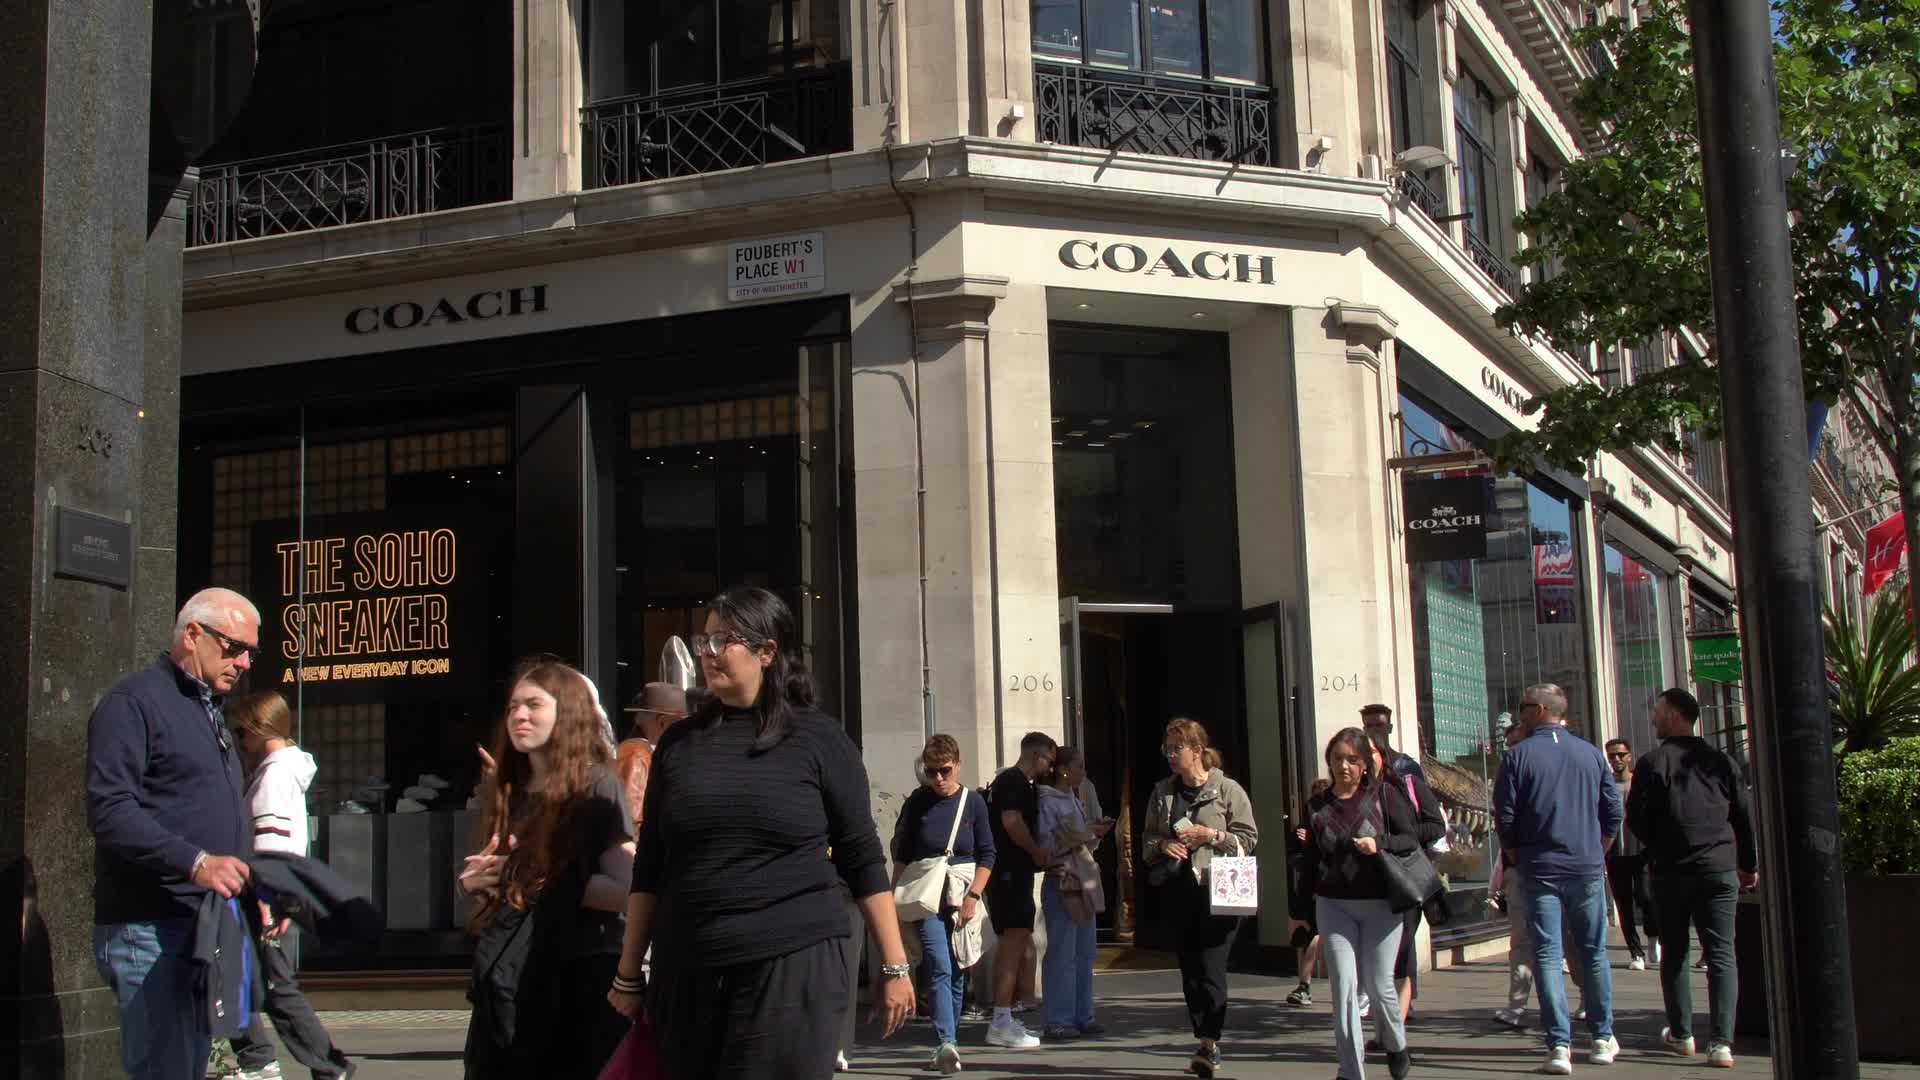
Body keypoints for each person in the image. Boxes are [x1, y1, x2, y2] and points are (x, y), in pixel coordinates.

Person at [607, 586, 915, 1078]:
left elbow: (862, 858)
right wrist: (628, 973)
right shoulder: (679, 745)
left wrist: (894, 966)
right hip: (687, 966)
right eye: (703, 640)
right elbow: (651, 866)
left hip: (792, 963)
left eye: (722, 640)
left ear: (766, 652)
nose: (707, 652)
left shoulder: (819, 739)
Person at [88, 588, 260, 1080]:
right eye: (234, 647)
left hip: (200, 922)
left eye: (252, 651)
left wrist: (252, 886)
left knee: (188, 1065)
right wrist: (197, 862)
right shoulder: (133, 703)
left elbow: (215, 810)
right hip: (150, 927)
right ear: (192, 634)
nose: (245, 662)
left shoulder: (209, 710)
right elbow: (111, 809)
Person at [459, 659, 637, 1077]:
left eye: (534, 705)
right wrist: (478, 882)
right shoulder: (508, 789)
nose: (519, 715)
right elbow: (513, 883)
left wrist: (533, 878)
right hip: (510, 975)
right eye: (512, 707)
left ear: (567, 711)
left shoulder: (596, 785)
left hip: (578, 976)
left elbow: (625, 887)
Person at [222, 691, 354, 1080]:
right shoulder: (284, 771)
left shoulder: (273, 775)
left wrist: (269, 900)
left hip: (262, 894)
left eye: (243, 729)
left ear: (260, 728)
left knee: (273, 985)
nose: (240, 738)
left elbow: (270, 843)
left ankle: (322, 1066)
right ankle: (266, 1060)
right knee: (254, 979)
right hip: (270, 893)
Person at [1494, 684, 1623, 1075]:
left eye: (1523, 708)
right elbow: (1612, 811)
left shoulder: (1517, 757)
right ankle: (1601, 1037)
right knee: (1592, 951)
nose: (1520, 715)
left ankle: (1559, 1045)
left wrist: (1518, 855)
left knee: (1547, 954)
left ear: (1540, 709)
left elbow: (1506, 817)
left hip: (1539, 867)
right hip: (1584, 866)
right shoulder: (1591, 754)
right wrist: (1598, 848)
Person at [1627, 688, 1758, 1069]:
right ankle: (1721, 1043)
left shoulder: (1653, 763)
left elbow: (1637, 818)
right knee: (1722, 954)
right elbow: (1743, 816)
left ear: (1674, 714)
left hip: (1672, 871)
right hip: (1718, 866)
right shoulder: (1721, 761)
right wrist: (1748, 863)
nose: (1653, 719)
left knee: (1677, 953)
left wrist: (1660, 844)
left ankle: (1682, 1034)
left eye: (1657, 712)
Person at [1291, 728, 1421, 1080]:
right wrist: (1300, 914)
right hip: (1335, 905)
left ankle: (1395, 1042)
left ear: (1365, 764)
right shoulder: (1316, 805)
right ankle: (1351, 1071)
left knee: (1380, 987)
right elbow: (1310, 859)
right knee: (1344, 989)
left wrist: (1380, 843)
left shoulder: (1385, 796)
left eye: (1352, 760)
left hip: (1381, 904)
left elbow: (1412, 838)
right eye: (1337, 759)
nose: (1343, 766)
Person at [1143, 719, 1258, 1079]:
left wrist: (1211, 834)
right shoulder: (1162, 792)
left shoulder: (1227, 790)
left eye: (1177, 749)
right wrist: (1164, 844)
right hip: (1180, 891)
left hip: (1218, 889)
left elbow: (1248, 839)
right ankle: (1203, 1036)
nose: (1171, 756)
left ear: (1197, 750)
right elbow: (1146, 839)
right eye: (1167, 749)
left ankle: (1209, 1042)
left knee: (1211, 968)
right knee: (1190, 970)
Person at [890, 734, 996, 1075]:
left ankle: (949, 1043)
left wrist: (973, 896)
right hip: (926, 892)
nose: (938, 778)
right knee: (938, 961)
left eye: (945, 771)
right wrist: (892, 900)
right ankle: (945, 1041)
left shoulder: (973, 802)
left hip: (962, 890)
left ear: (958, 765)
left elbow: (988, 853)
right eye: (932, 771)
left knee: (956, 966)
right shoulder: (918, 802)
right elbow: (902, 854)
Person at [984, 730, 1059, 1050]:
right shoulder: (1014, 782)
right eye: (1049, 761)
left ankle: (1008, 1012)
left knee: (1020, 941)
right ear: (1036, 755)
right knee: (1014, 939)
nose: (1050, 768)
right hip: (1009, 873)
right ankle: (1001, 1018)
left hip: (1011, 874)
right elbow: (1012, 821)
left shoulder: (1016, 783)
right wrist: (1035, 851)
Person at [1369, 732, 1445, 1033]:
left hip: (1404, 878)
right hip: (1368, 883)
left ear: (1382, 756)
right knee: (1375, 959)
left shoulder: (1407, 786)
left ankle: (1394, 1030)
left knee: (1400, 952)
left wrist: (1399, 838)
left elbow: (1436, 826)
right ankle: (1385, 1025)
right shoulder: (1352, 793)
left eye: (1370, 752)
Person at [1036, 745, 1112, 1042]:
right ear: (1064, 770)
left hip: (1082, 878)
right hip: (1062, 879)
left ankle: (1084, 1014)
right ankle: (1058, 1019)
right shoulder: (1046, 800)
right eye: (1078, 766)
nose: (1083, 772)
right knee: (1061, 952)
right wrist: (1086, 833)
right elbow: (1048, 844)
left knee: (1084, 951)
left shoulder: (1075, 797)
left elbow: (1080, 840)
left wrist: (1091, 832)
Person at [1603, 738, 1658, 971]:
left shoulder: (1641, 784)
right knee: (1623, 905)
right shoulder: (1604, 787)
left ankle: (1653, 937)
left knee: (1646, 897)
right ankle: (1636, 953)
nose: (1616, 759)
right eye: (1611, 755)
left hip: (1641, 852)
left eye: (1620, 754)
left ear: (1629, 756)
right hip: (1615, 855)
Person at [617, 682, 690, 832]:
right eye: (681, 723)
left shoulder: (648, 753)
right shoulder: (636, 754)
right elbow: (632, 824)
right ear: (662, 722)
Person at [1287, 778, 1333, 1007]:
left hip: (1334, 889)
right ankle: (1304, 984)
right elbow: (1294, 856)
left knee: (1320, 937)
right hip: (1311, 889)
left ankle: (1306, 985)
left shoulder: (1338, 822)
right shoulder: (1303, 827)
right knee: (1309, 936)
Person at [1361, 704, 1426, 784]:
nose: (1374, 730)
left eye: (1379, 725)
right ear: (1364, 730)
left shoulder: (1408, 767)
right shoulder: (1360, 766)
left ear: (1390, 728)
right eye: (1369, 726)